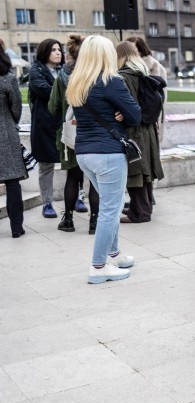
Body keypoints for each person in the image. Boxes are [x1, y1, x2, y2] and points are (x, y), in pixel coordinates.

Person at [66, 35, 141, 284]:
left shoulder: (77, 82)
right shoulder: (111, 81)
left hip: (85, 153)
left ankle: (114, 254)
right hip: (107, 152)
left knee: (110, 204)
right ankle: (98, 266)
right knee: (111, 209)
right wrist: (121, 115)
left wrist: (117, 114)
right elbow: (136, 115)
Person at [48, 34, 100, 234]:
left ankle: (68, 219)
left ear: (69, 53)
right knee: (94, 179)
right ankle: (94, 222)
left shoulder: (62, 77)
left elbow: (53, 107)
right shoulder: (95, 74)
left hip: (70, 133)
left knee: (73, 176)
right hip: (94, 131)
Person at [116, 42, 165, 224]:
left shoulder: (124, 76)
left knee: (136, 171)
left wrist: (120, 114)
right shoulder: (143, 72)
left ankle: (141, 213)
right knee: (146, 172)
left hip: (134, 130)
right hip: (147, 129)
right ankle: (144, 207)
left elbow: (125, 105)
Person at [28, 38, 65, 219]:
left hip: (65, 123)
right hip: (45, 125)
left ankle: (78, 197)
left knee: (73, 163)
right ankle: (47, 203)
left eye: (59, 49)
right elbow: (46, 91)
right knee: (46, 166)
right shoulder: (36, 71)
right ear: (44, 52)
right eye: (53, 50)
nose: (58, 52)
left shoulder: (65, 70)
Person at [0, 40, 26, 238]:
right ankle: (16, 228)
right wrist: (10, 120)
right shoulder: (8, 78)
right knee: (12, 183)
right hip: (5, 132)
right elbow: (16, 106)